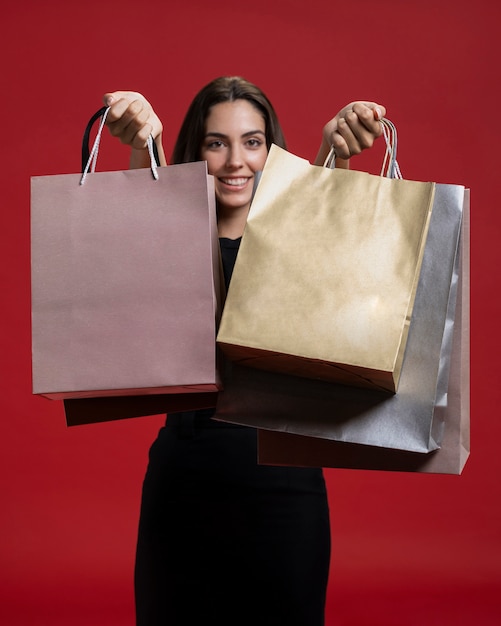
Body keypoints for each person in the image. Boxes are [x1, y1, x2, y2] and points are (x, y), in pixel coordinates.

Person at [102, 77, 385, 626]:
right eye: (217, 143)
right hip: (182, 482)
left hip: (285, 487)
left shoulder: (299, 236)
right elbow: (130, 236)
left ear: (271, 150)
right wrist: (140, 145)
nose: (236, 160)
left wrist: (334, 155)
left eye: (252, 142)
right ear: (195, 151)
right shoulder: (170, 232)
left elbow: (336, 253)